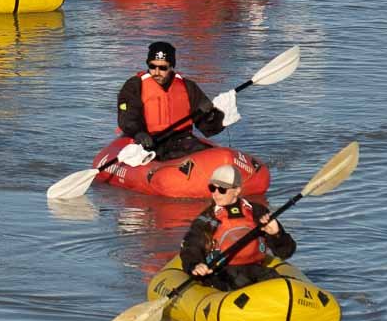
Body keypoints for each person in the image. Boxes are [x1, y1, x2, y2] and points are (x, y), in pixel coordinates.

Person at [179, 163, 296, 291]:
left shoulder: (257, 212)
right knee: (236, 281)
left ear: (237, 190)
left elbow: (286, 252)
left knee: (276, 284)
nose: (216, 194)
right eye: (212, 188)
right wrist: (195, 265)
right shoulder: (208, 218)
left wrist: (276, 234)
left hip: (254, 268)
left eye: (222, 189)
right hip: (222, 273)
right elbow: (192, 245)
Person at [116, 41, 238, 159]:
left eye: (163, 68)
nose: (157, 72)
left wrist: (211, 115)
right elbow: (127, 116)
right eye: (152, 66)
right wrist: (138, 133)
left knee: (201, 151)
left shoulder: (187, 86)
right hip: (151, 142)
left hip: (182, 140)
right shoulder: (134, 86)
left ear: (171, 67)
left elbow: (208, 129)